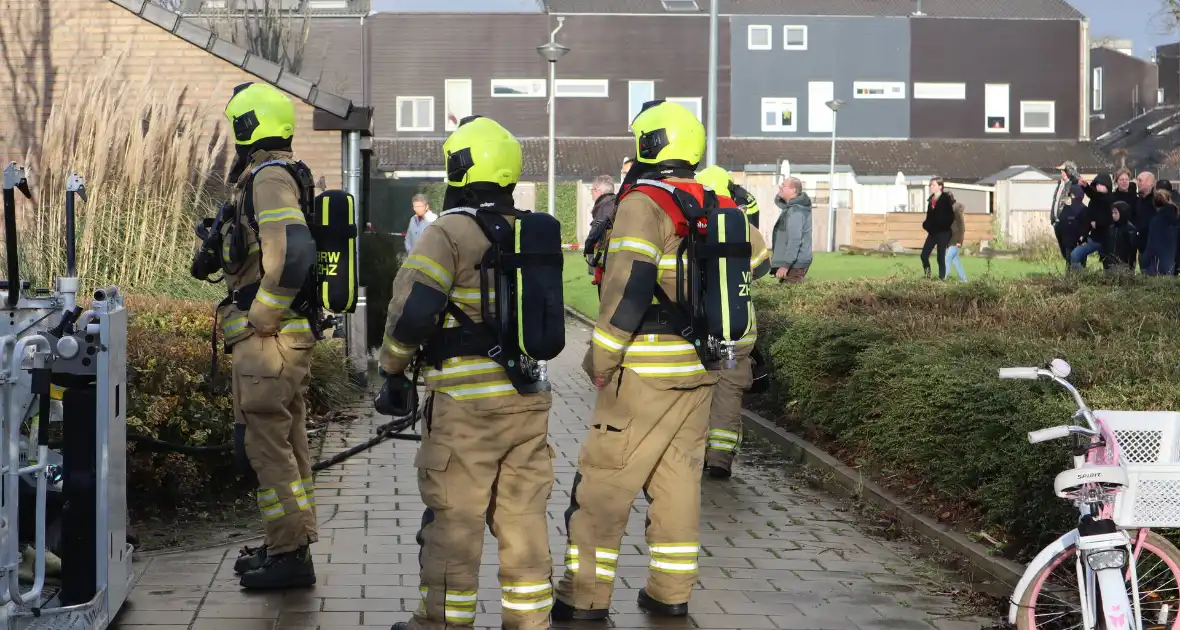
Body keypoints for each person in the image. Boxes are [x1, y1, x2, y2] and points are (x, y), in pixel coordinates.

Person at [555, 100, 736, 621]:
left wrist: (601, 358)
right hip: (698, 367)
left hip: (644, 369)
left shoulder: (644, 203)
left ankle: (585, 596)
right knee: (677, 484)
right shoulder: (714, 200)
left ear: (650, 144)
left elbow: (630, 286)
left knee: (604, 484)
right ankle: (670, 593)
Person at [377, 115, 559, 630]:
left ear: (460, 167)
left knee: (454, 522)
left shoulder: (448, 232)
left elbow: (412, 312)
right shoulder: (530, 230)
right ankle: (529, 622)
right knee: (523, 521)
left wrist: (392, 369)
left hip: (466, 407)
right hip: (528, 401)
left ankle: (442, 623)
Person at [219, 82, 319, 589]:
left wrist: (261, 315)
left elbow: (293, 252)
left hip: (269, 342)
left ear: (246, 127)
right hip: (286, 339)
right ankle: (290, 542)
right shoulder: (281, 174)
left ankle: (288, 556)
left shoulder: (268, 177)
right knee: (287, 444)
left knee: (267, 449)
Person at [694, 165, 771, 480]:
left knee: (699, 393)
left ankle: (695, 456)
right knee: (729, 394)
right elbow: (763, 267)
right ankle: (720, 461)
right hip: (738, 331)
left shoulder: (692, 224)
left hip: (699, 328)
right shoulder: (744, 227)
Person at [770, 176, 812, 283]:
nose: (780, 186)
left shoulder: (796, 212)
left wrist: (786, 265)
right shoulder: (790, 209)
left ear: (793, 190)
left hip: (795, 265)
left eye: (783, 185)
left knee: (791, 297)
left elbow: (794, 240)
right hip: (793, 263)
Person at [1070, 173, 1114, 270]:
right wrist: (1083, 234)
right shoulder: (1093, 202)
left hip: (1108, 240)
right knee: (1075, 256)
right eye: (1097, 184)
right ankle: (1083, 278)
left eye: (1101, 185)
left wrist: (1097, 223)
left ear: (1108, 186)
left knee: (1109, 266)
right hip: (1094, 239)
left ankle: (1108, 282)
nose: (1099, 187)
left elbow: (1109, 219)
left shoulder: (1111, 200)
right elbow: (1088, 219)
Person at [920, 177, 955, 280]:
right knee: (924, 255)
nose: (931, 186)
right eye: (930, 185)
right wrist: (926, 225)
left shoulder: (945, 200)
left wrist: (942, 226)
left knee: (940, 257)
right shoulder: (931, 201)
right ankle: (928, 277)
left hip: (944, 233)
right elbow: (929, 218)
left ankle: (941, 279)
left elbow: (950, 217)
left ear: (940, 186)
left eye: (933, 185)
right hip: (933, 233)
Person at [1144, 184, 1179, 276]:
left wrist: (1144, 260)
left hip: (1157, 262)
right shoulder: (1176, 218)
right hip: (1171, 261)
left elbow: (1152, 244)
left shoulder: (1156, 221)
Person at [1055, 185, 1088, 269]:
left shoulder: (1066, 210)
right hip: (1082, 246)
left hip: (1068, 246)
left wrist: (1063, 245)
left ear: (1072, 195)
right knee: (1081, 271)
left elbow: (1058, 228)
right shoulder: (1086, 209)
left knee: (1070, 269)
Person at [1102, 201, 1138, 272]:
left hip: (1123, 266)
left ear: (1123, 213)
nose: (1113, 215)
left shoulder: (1130, 229)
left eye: (1115, 213)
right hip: (1109, 265)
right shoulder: (1111, 228)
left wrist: (1129, 267)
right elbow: (1107, 246)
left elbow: (1131, 251)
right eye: (1112, 213)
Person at [1134, 171, 1157, 272]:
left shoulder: (1157, 201)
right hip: (1141, 245)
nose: (1138, 183)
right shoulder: (1138, 200)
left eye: (1140, 180)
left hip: (1154, 247)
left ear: (1150, 183)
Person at [945, 200, 967, 282]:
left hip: (955, 243)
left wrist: (959, 242)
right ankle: (964, 279)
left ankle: (944, 278)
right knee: (956, 262)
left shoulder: (958, 217)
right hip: (951, 243)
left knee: (947, 259)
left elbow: (962, 230)